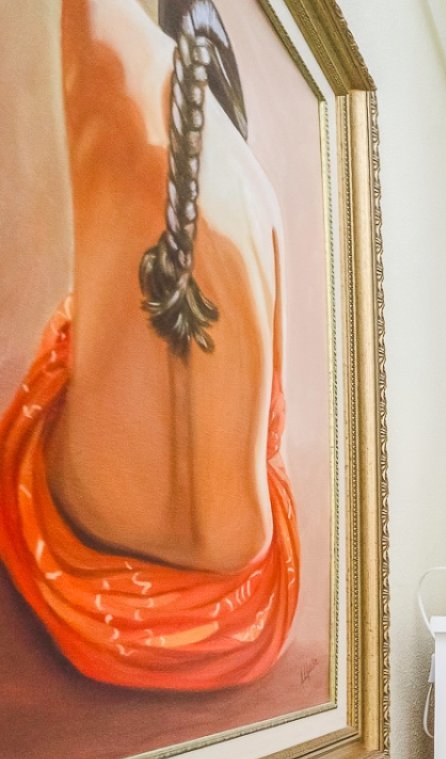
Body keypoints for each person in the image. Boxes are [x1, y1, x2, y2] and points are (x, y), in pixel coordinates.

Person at [0, 0, 299, 691]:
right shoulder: (261, 198)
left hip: (77, 566)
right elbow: (270, 428)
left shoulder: (106, 60)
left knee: (64, 349)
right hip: (246, 607)